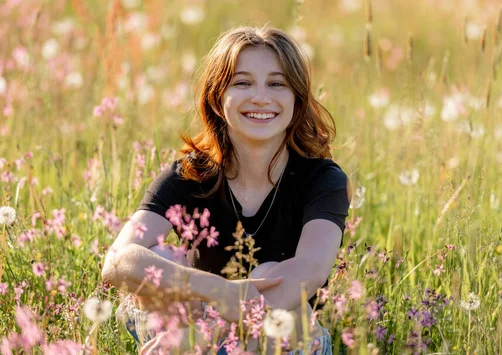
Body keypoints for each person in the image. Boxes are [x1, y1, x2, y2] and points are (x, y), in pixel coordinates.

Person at [101, 25, 351, 354]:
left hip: (288, 342)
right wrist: (218, 291)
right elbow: (117, 262)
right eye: (242, 82)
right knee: (159, 258)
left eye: (277, 83)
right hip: (196, 331)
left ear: (296, 99)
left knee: (271, 274)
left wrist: (210, 330)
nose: (261, 97)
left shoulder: (322, 179)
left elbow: (310, 271)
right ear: (218, 97)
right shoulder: (189, 174)